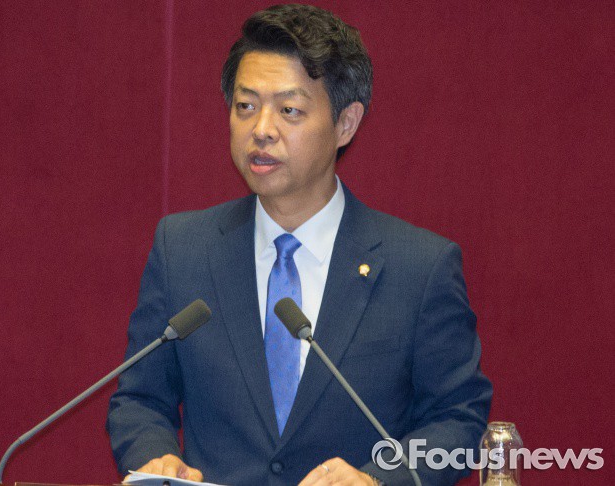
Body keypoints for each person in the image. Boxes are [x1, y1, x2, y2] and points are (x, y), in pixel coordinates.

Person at [107, 4, 492, 485]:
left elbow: (458, 420)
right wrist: (158, 459)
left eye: (288, 110)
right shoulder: (182, 249)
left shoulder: (420, 267)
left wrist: (378, 479)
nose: (261, 129)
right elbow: (139, 399)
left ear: (346, 123)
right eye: (246, 106)